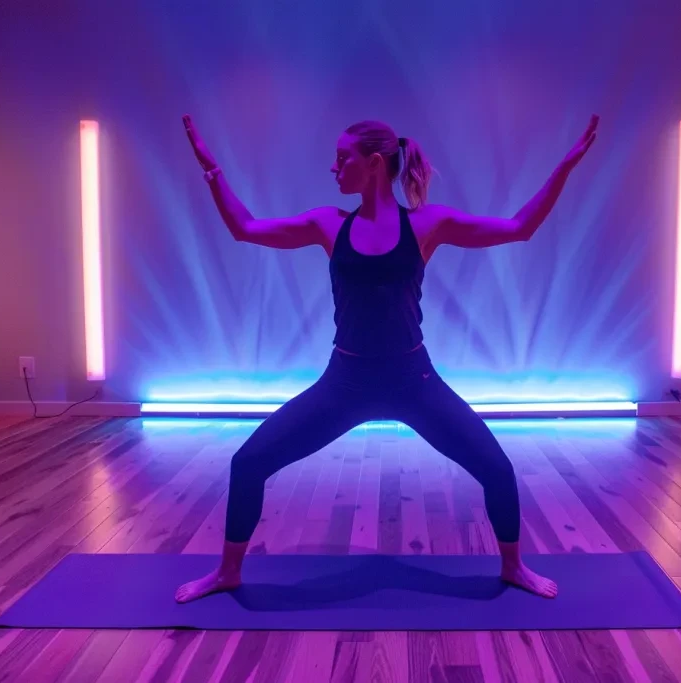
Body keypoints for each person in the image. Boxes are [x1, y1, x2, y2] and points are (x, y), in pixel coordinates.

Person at [174, 113, 598, 603]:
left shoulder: (427, 224)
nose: (333, 170)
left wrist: (564, 168)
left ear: (374, 164)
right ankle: (228, 571)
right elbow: (245, 228)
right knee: (248, 463)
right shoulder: (328, 224)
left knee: (497, 470)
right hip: (344, 384)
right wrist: (211, 170)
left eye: (342, 160)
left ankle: (513, 567)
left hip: (412, 380)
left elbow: (519, 228)